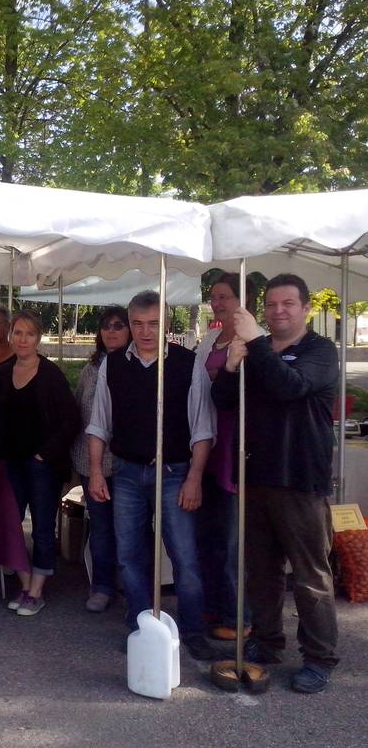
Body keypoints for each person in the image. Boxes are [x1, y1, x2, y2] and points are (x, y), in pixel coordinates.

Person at [212, 273, 339, 694]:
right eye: (271, 305)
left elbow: (291, 387)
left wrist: (256, 345)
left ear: (305, 308)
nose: (278, 311)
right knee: (261, 574)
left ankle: (320, 658)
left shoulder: (320, 351)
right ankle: (267, 642)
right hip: (256, 477)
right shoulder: (255, 350)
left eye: (288, 304)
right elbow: (224, 402)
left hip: (301, 479)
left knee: (309, 577)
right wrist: (230, 368)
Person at [87, 290, 218, 661]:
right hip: (126, 472)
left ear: (166, 324)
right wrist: (97, 472)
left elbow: (202, 429)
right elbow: (99, 424)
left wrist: (195, 477)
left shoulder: (187, 364)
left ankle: (192, 631)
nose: (145, 331)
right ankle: (141, 626)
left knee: (185, 556)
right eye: (138, 324)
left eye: (154, 324)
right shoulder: (112, 365)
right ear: (129, 324)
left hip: (176, 472)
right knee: (129, 556)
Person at [0, 309, 80, 616]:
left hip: (42, 465)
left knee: (43, 527)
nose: (23, 339)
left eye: (29, 333)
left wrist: (45, 453)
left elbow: (71, 420)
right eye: (18, 332)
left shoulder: (51, 375)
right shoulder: (3, 372)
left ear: (39, 337)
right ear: (11, 335)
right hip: (11, 464)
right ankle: (25, 581)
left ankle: (36, 591)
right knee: (12, 523)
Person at [195, 272, 257, 641]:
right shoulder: (209, 340)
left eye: (224, 297)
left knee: (234, 542)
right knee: (209, 537)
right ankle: (213, 606)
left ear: (242, 299)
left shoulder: (253, 340)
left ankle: (240, 618)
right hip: (209, 445)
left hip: (237, 448)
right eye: (214, 297)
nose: (218, 303)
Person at [71, 306, 130, 613]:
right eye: (106, 326)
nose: (111, 331)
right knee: (102, 528)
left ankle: (133, 586)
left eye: (118, 325)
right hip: (92, 464)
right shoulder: (92, 367)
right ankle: (103, 586)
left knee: (131, 528)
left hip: (129, 463)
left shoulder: (138, 365)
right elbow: (79, 410)